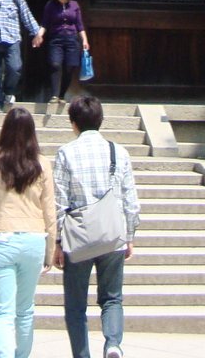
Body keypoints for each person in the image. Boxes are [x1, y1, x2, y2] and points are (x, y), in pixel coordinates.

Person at [54, 95, 140, 358]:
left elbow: (59, 201)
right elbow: (130, 199)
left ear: (73, 123)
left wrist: (58, 242)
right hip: (112, 233)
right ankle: (112, 344)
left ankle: (82, 355)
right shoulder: (119, 152)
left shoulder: (66, 153)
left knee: (76, 305)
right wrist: (129, 235)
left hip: (78, 236)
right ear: (101, 121)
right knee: (112, 297)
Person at [0, 106, 56, 358]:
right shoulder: (41, 163)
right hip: (33, 238)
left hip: (0, 235)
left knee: (4, 312)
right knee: (25, 309)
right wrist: (50, 250)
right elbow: (49, 209)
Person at [41, 0, 90, 111]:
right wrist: (39, 35)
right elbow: (45, 23)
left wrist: (84, 40)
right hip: (56, 38)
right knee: (55, 64)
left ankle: (62, 94)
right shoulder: (50, 5)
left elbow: (80, 25)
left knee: (70, 66)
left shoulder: (74, 5)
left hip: (72, 38)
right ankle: (54, 95)